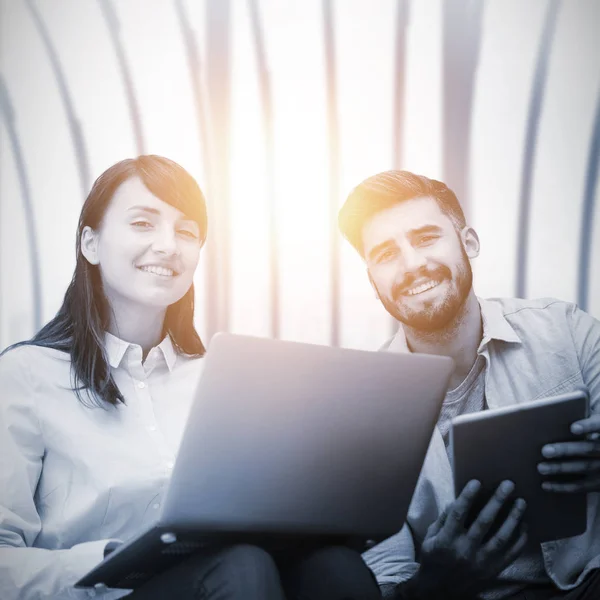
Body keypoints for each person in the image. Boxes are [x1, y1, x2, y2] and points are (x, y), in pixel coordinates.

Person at [0, 155, 381, 600]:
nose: (168, 245)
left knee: (333, 566)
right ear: (91, 244)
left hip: (238, 578)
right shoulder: (25, 377)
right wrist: (109, 560)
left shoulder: (222, 381)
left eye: (186, 231)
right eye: (143, 223)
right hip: (111, 592)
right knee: (239, 567)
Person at [337, 170, 600, 600]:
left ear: (469, 243)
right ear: (373, 281)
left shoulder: (567, 330)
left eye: (426, 238)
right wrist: (437, 583)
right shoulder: (360, 411)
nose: (411, 265)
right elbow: (389, 580)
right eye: (386, 254)